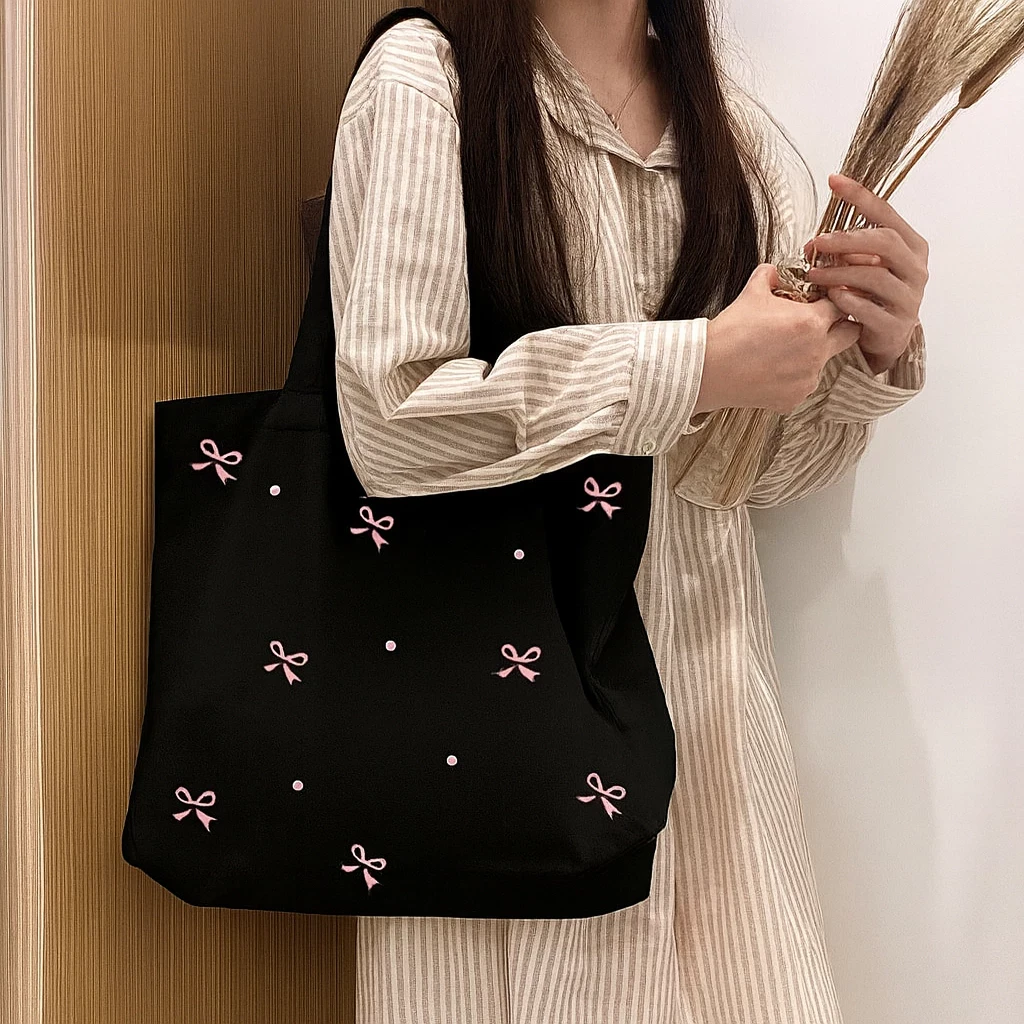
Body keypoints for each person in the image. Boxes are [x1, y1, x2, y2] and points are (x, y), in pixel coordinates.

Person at [328, 1, 929, 1021]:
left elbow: (747, 478)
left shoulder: (731, 134)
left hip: (710, 735)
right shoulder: (427, 79)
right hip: (503, 739)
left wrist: (868, 351)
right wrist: (695, 363)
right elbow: (392, 423)